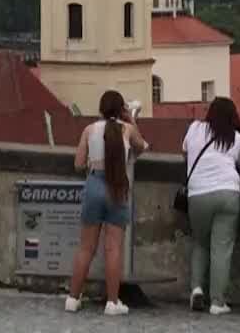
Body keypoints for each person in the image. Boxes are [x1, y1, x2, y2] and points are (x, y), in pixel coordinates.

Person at [64, 90, 148, 317]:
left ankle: (72, 298)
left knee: (85, 248)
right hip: (117, 188)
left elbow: (79, 163)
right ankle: (112, 302)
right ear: (121, 109)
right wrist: (131, 120)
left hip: (93, 185)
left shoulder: (89, 130)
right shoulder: (127, 129)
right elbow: (142, 147)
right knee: (113, 249)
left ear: (100, 109)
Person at [182, 96, 240, 316]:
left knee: (200, 243)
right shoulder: (236, 138)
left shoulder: (195, 128)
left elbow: (185, 151)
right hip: (228, 192)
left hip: (198, 193)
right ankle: (218, 302)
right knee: (222, 249)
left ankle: (197, 289)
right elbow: (238, 161)